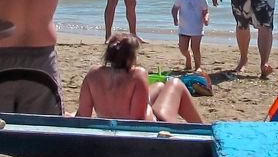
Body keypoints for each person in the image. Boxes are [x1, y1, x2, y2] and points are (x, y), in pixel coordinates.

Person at [76, 34, 205, 123]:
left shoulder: (93, 74)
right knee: (175, 84)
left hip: (112, 125)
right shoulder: (137, 74)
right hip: (146, 130)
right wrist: (148, 107)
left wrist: (70, 116)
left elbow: (83, 116)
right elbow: (138, 120)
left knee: (160, 86)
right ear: (131, 57)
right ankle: (202, 129)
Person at [173, 0, 209, 71]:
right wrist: (175, 18)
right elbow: (175, 8)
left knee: (195, 49)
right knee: (183, 48)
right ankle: (188, 59)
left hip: (197, 28)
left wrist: (206, 18)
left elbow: (206, 10)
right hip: (183, 27)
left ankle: (198, 67)